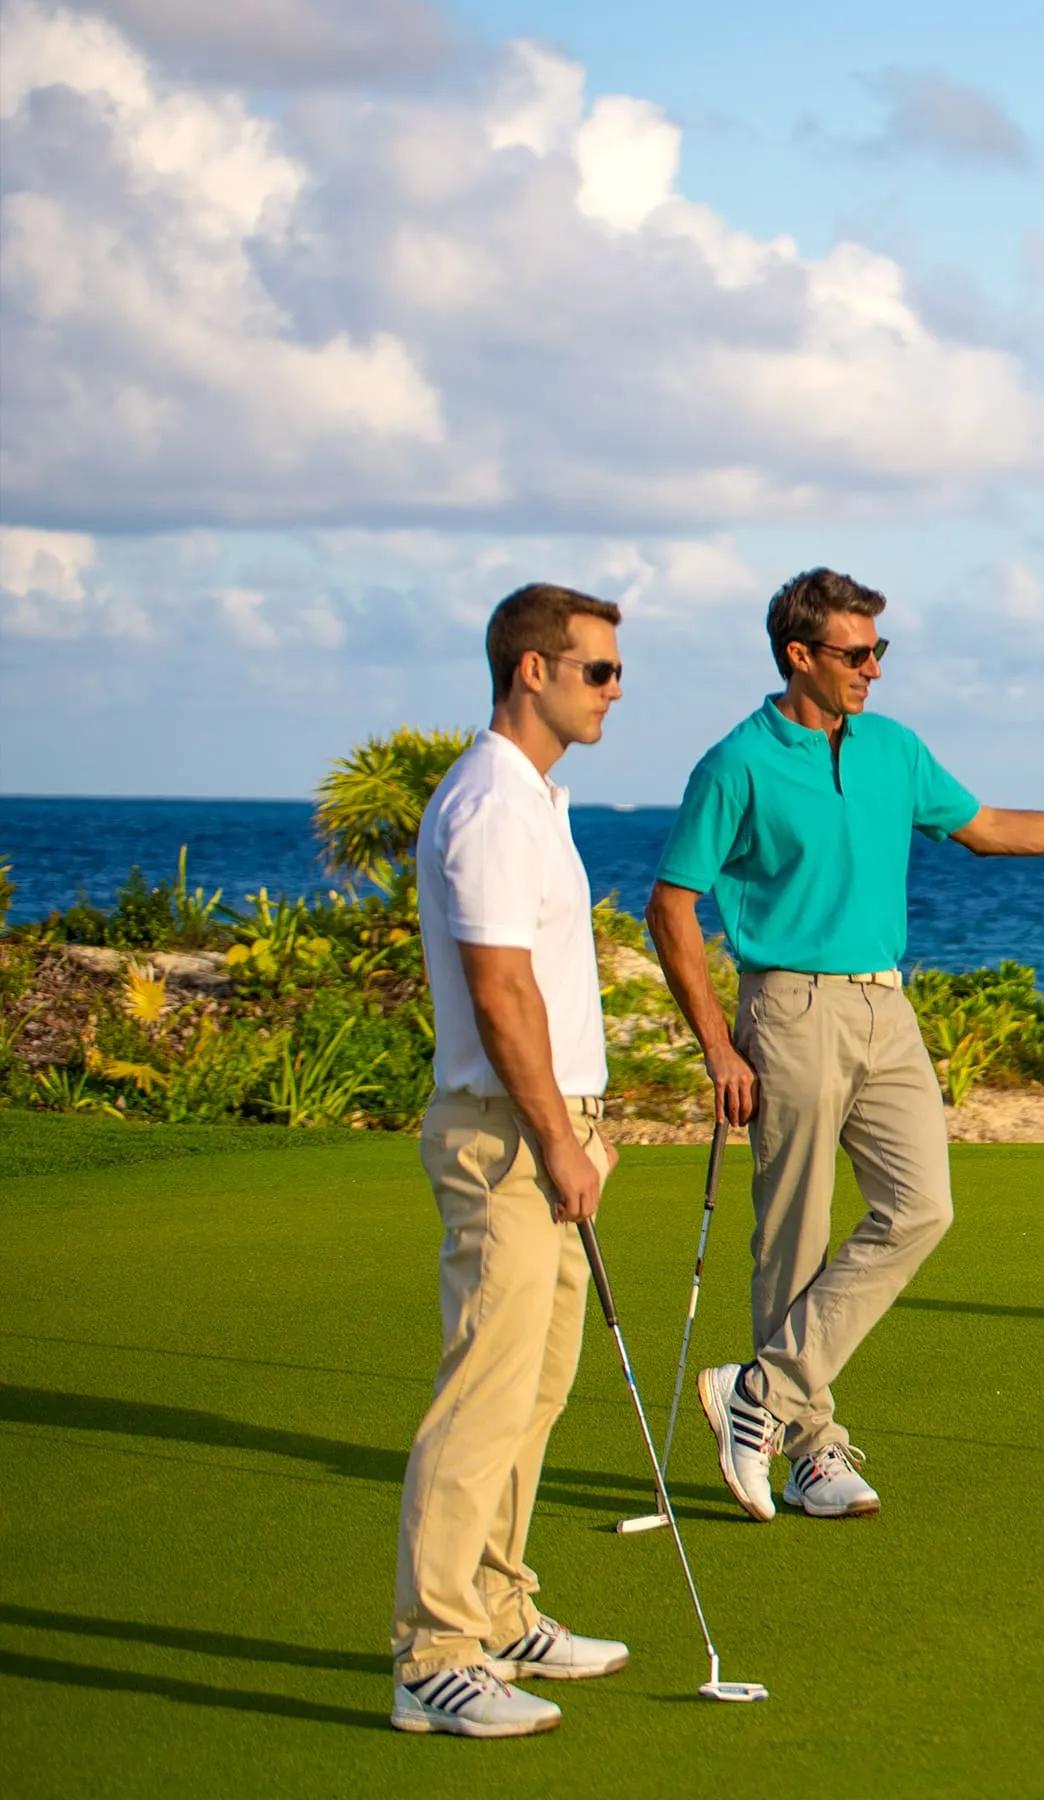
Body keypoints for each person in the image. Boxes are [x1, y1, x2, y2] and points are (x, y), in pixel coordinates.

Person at [648, 568, 1044, 1523]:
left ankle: (758, 1395)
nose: (873, 672)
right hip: (788, 1011)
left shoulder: (893, 749)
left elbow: (989, 828)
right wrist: (719, 1046)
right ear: (800, 656)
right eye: (856, 654)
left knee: (921, 1207)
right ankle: (812, 1450)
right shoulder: (737, 764)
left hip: (888, 1011)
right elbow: (672, 904)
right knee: (793, 1240)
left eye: (879, 652)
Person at [391, 583, 635, 1737]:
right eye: (598, 670)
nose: (615, 690)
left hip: (551, 1126)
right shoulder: (489, 801)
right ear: (530, 669)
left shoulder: (538, 799)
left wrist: (587, 1121)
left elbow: (548, 989)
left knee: (536, 1390)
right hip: (504, 1137)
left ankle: (495, 1602)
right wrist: (554, 1136)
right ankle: (433, 1654)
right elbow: (498, 995)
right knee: (482, 1395)